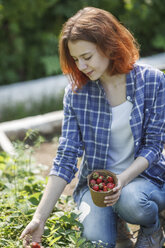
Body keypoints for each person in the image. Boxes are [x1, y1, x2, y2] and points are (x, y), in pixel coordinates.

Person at [20, 7, 165, 248]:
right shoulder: (76, 95)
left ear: (109, 45)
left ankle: (152, 227)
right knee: (97, 243)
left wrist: (123, 179)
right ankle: (117, 227)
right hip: (98, 188)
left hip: (143, 180)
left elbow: (153, 146)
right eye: (75, 59)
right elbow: (66, 158)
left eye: (86, 57)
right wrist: (39, 218)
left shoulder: (152, 81)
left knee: (131, 201)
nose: (81, 66)